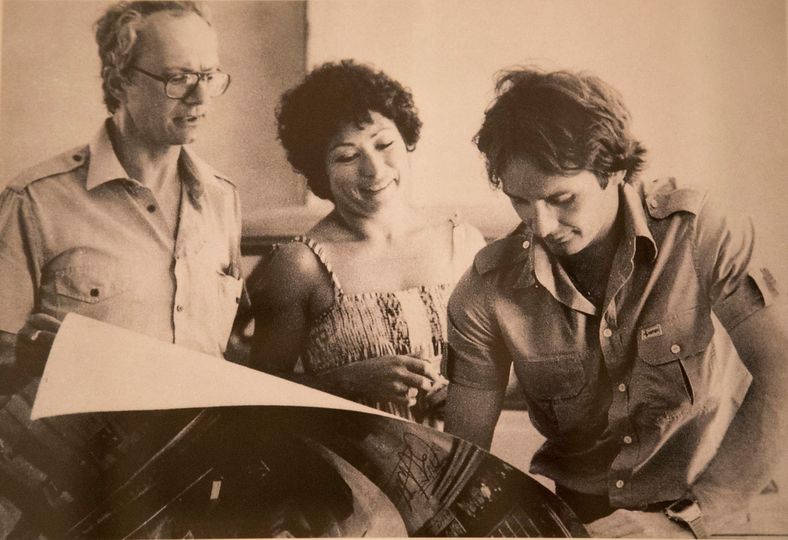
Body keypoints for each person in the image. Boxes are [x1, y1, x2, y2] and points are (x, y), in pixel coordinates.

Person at [444, 67, 787, 537]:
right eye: (520, 201)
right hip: (582, 523)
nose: (541, 226)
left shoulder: (700, 230)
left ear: (616, 169)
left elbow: (783, 374)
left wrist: (686, 522)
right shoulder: (485, 289)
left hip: (718, 510)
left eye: (562, 198)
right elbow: (461, 464)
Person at [0, 1, 241, 534]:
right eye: (179, 79)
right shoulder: (37, 201)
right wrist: (39, 354)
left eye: (209, 75)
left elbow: (219, 348)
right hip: (74, 508)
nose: (201, 97)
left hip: (193, 506)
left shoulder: (223, 201)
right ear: (121, 78)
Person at [248, 60, 485, 424]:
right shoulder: (300, 265)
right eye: (347, 155)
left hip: (458, 470)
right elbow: (259, 397)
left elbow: (513, 371)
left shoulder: (462, 245)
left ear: (406, 140)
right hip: (346, 474)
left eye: (384, 143)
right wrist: (346, 381)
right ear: (319, 171)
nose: (373, 170)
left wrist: (469, 394)